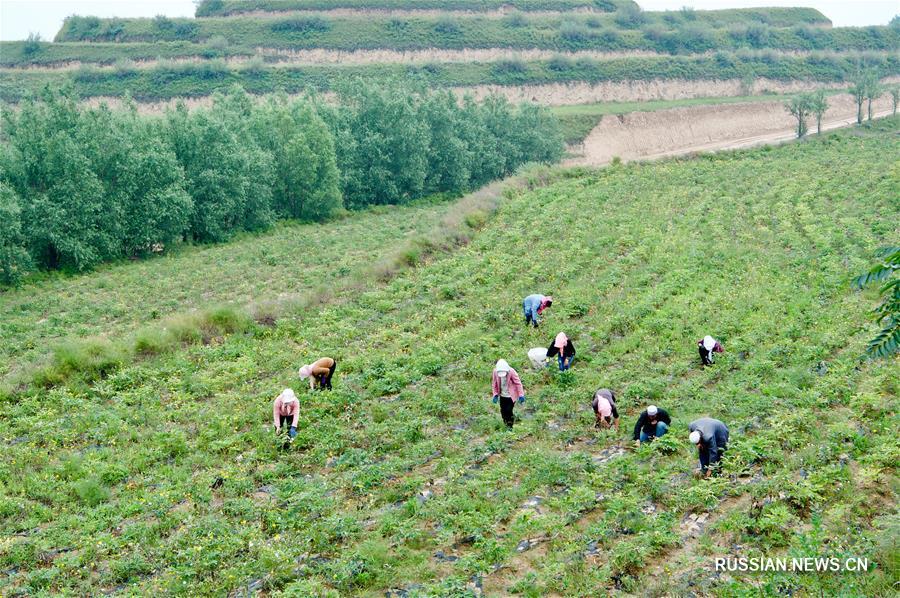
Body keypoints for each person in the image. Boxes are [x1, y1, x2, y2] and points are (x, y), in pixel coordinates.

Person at [492, 359, 525, 429]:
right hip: (502, 395)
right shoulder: (495, 371)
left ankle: (510, 426)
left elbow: (518, 383)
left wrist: (521, 395)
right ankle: (506, 424)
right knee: (503, 411)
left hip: (511, 396)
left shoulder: (512, 371)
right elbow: (494, 383)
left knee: (508, 411)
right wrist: (495, 394)